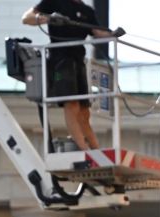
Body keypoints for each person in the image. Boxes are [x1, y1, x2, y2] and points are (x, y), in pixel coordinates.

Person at [21, 0, 112, 150]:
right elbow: (26, 18)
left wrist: (114, 34)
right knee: (72, 104)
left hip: (78, 61)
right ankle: (84, 148)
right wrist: (48, 19)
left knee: (84, 111)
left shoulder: (86, 10)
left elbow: (98, 32)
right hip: (60, 60)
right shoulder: (55, 2)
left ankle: (95, 149)